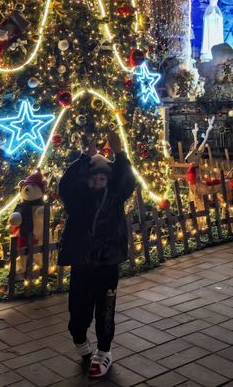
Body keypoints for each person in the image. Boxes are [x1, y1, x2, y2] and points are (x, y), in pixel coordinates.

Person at [58, 130, 136, 378]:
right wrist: (85, 157)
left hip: (107, 260)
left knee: (105, 307)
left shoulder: (115, 197)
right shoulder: (77, 199)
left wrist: (119, 153)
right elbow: (66, 185)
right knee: (78, 308)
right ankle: (80, 341)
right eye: (94, 177)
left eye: (104, 177)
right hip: (82, 260)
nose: (98, 181)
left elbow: (127, 180)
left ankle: (104, 350)